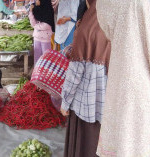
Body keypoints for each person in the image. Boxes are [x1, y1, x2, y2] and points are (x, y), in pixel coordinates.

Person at [96, 0, 150, 156]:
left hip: (119, 76)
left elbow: (108, 32)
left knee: (122, 139)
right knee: (139, 141)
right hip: (142, 83)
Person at [60, 0, 111, 156]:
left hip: (86, 103)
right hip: (107, 103)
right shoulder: (110, 18)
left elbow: (76, 71)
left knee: (85, 145)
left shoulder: (89, 26)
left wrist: (65, 101)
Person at [28, 0, 55, 64]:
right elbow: (32, 23)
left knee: (46, 58)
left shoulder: (48, 10)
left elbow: (46, 26)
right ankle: (37, 72)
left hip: (45, 38)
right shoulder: (36, 10)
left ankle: (45, 73)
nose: (36, 1)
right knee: (36, 59)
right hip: (37, 37)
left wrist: (36, 26)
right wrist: (31, 11)